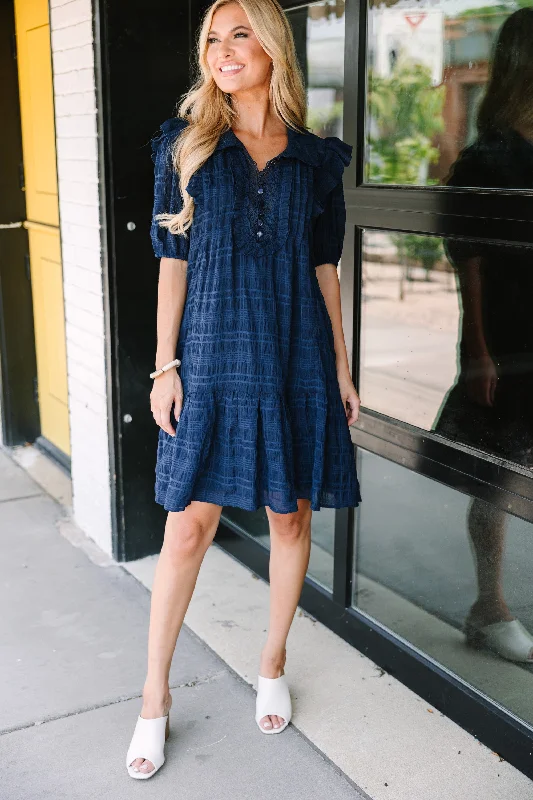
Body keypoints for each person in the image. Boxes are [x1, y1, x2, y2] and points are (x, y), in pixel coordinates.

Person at [126, 0, 361, 778]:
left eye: (239, 34)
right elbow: (172, 260)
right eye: (212, 39)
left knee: (287, 519)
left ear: (272, 46)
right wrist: (164, 366)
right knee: (187, 529)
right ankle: (153, 699)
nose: (224, 50)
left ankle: (271, 661)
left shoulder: (315, 160)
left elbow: (323, 265)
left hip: (293, 356)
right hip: (212, 356)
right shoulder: (186, 147)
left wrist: (339, 364)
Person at [434, 8, 533, 665]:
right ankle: (488, 607)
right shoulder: (487, 154)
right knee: (495, 477)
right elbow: (465, 253)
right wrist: (478, 349)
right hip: (508, 332)